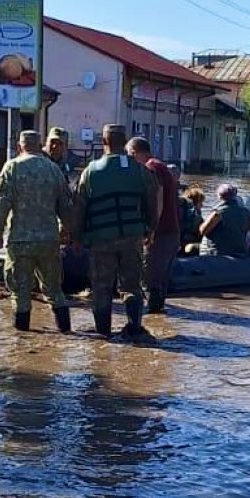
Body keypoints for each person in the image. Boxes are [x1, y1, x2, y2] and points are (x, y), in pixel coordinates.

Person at [72, 124, 159, 342]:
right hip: (132, 237)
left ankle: (103, 333)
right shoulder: (140, 170)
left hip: (100, 238)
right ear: (125, 141)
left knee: (101, 288)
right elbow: (152, 200)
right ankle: (134, 329)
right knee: (131, 286)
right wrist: (151, 228)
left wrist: (76, 237)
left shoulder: (90, 171)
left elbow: (79, 207)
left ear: (104, 142)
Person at [0, 130, 73, 333]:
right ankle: (66, 333)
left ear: (20, 146)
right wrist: (67, 230)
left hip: (20, 240)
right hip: (48, 240)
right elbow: (66, 205)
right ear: (40, 146)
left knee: (20, 292)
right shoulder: (54, 169)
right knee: (55, 291)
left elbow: (1, 203)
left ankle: (22, 340)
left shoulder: (12, 167)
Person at [126, 136, 180, 314]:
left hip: (161, 233)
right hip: (172, 232)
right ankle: (159, 317)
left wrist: (152, 230)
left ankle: (152, 317)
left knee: (151, 278)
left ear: (134, 153)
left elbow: (157, 199)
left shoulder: (151, 167)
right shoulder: (162, 166)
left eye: (129, 155)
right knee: (160, 279)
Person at [199, 184, 250, 256]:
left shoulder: (218, 212)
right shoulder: (245, 212)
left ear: (219, 196)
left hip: (217, 254)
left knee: (191, 247)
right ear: (235, 196)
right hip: (239, 254)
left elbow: (203, 231)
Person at [178, 186, 205, 252]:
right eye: (200, 202)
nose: (202, 205)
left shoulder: (176, 212)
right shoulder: (198, 219)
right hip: (187, 248)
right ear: (194, 202)